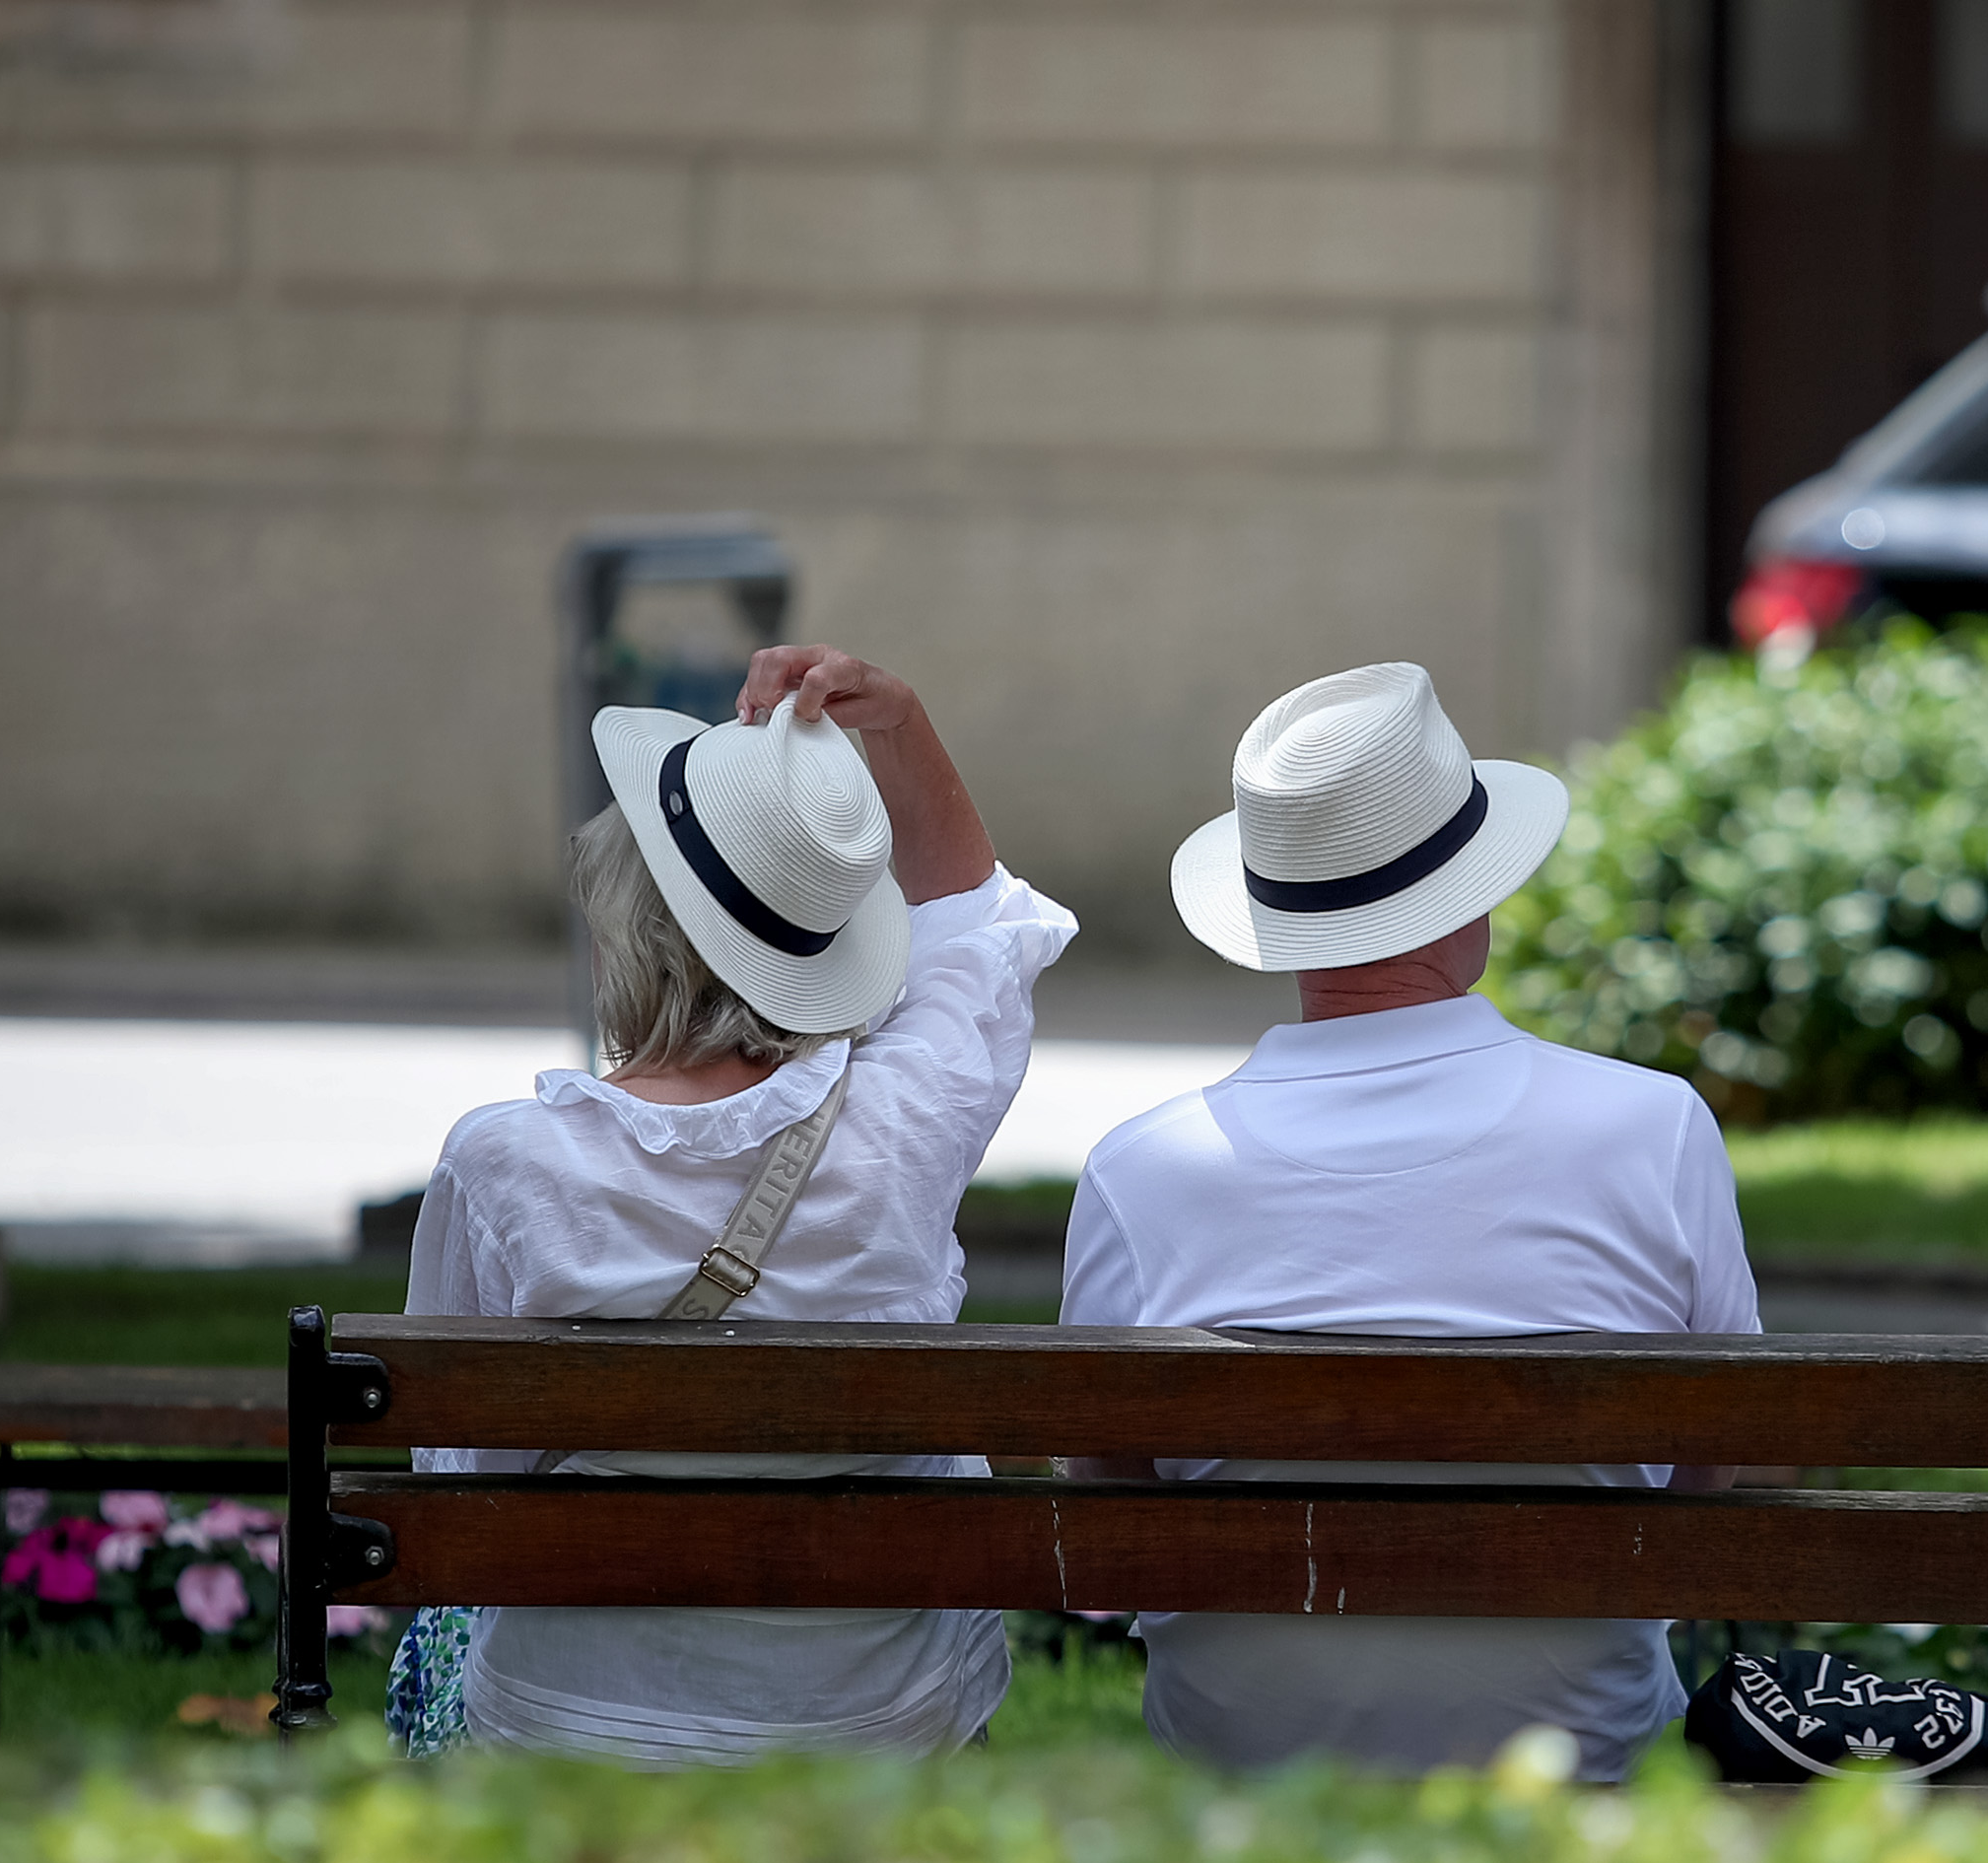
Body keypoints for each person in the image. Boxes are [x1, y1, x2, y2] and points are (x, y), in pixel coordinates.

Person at [1061, 659, 1765, 1779]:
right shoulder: (1651, 1128)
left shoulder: (1144, 1168)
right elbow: (1721, 1450)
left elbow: (1113, 1491)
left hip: (1244, 1753)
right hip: (1572, 1748)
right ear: (1469, 895)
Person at [389, 646, 1076, 1762]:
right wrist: (898, 726)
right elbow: (981, 923)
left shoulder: (504, 1162)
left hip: (572, 1718)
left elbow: (461, 1482)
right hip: (883, 1715)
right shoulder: (907, 1120)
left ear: (626, 931)